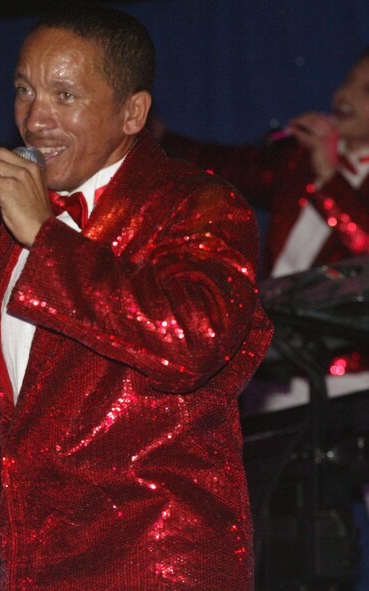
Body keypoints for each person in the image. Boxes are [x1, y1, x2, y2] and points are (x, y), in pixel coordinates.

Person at [0, 5, 273, 590]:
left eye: (65, 96)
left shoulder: (195, 204)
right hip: (38, 563)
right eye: (24, 91)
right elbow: (44, 408)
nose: (35, 120)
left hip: (155, 560)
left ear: (133, 112)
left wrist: (45, 236)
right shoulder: (30, 224)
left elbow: (192, 341)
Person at [155, 47, 369, 411]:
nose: (346, 95)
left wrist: (330, 178)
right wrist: (160, 139)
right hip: (274, 371)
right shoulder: (297, 160)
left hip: (350, 379)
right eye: (348, 80)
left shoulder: (321, 164)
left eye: (366, 90)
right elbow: (226, 165)